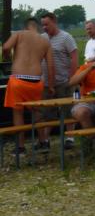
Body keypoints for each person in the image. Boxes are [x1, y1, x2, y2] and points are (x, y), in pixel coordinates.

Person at [2, 18, 54, 155]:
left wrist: (6, 55)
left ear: (25, 26)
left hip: (18, 80)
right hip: (36, 81)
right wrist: (51, 85)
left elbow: (6, 47)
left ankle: (20, 147)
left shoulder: (19, 34)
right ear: (37, 27)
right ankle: (43, 142)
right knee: (37, 112)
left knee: (18, 112)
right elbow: (50, 66)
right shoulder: (45, 41)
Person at [41, 12, 78, 148]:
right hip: (46, 83)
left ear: (54, 22)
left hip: (63, 81)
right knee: (47, 112)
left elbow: (74, 57)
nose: (44, 27)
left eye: (47, 24)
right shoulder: (42, 38)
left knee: (67, 110)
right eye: (43, 25)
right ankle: (45, 140)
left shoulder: (66, 37)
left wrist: (72, 78)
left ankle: (70, 138)